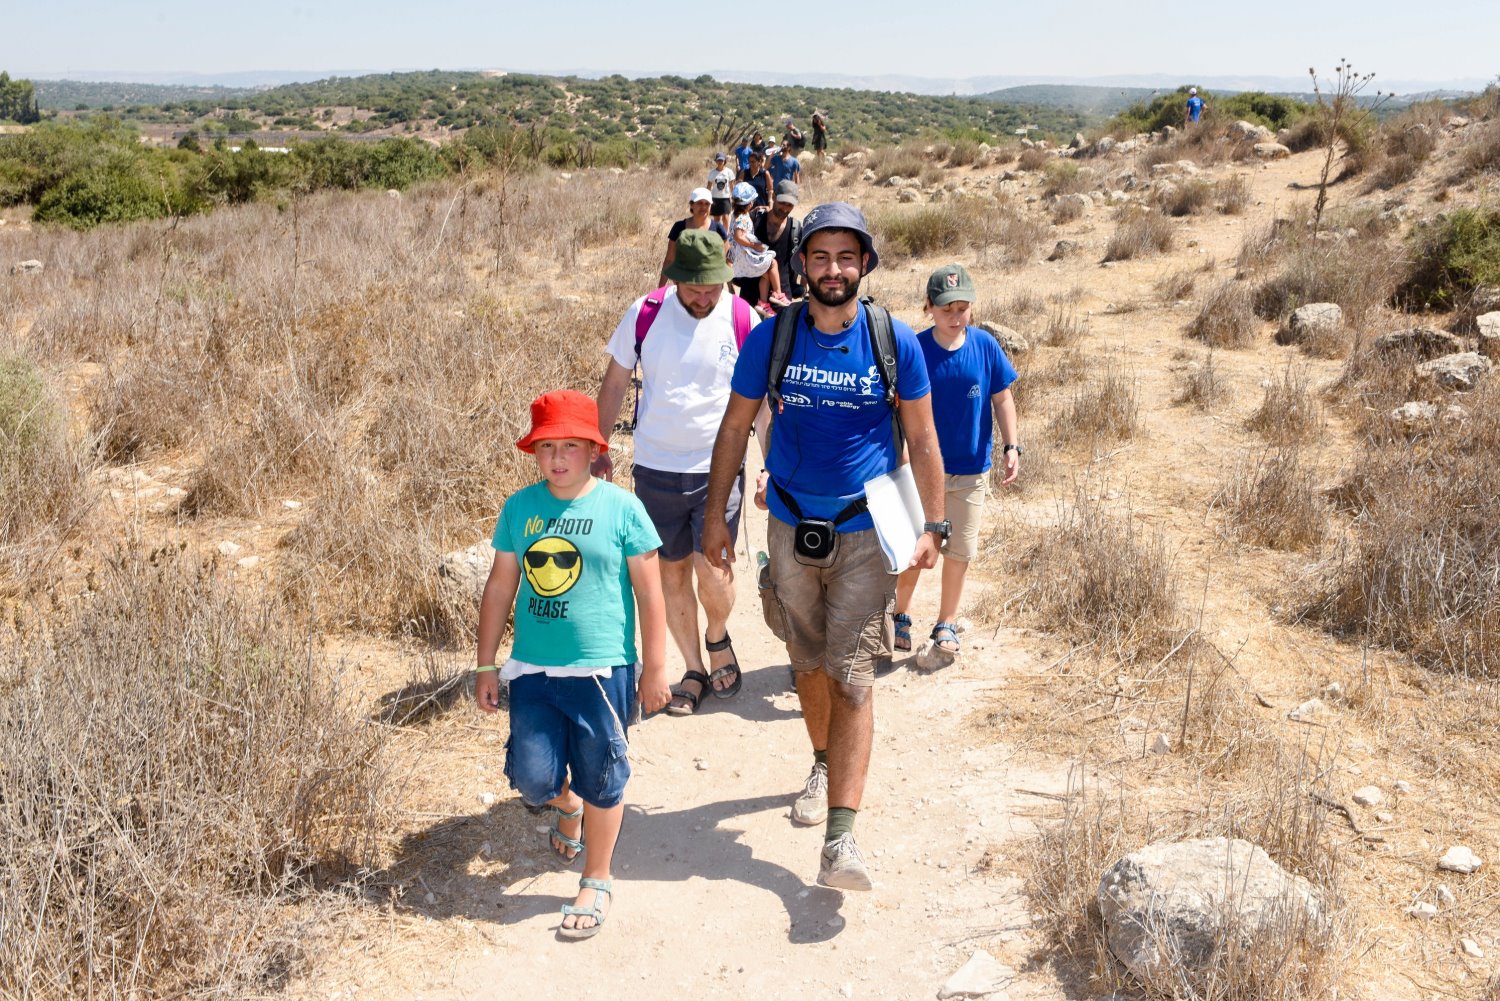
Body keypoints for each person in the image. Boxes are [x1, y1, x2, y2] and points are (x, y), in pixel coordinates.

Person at [702, 202, 948, 892]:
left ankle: (843, 836)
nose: (833, 270)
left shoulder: (891, 339)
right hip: (787, 526)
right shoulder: (774, 337)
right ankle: (819, 757)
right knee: (807, 663)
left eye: (847, 257)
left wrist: (934, 524)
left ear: (865, 264)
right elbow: (733, 429)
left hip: (866, 531)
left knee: (853, 676)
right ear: (802, 263)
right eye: (820, 256)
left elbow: (924, 438)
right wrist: (717, 518)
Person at [475, 389, 671, 939]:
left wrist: (655, 669)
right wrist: (485, 664)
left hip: (602, 670)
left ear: (593, 449)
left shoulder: (622, 509)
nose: (557, 457)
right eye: (546, 447)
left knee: (603, 775)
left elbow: (651, 595)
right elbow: (500, 586)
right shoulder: (520, 508)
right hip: (534, 667)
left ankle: (597, 877)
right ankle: (565, 807)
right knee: (533, 779)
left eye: (569, 445)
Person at [596, 230, 765, 717]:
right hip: (655, 469)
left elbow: (761, 406)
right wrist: (598, 446)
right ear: (675, 279)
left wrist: (768, 469)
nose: (703, 298)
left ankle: (716, 636)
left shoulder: (741, 317)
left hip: (719, 469)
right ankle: (694, 668)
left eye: (712, 287)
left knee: (714, 572)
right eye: (694, 289)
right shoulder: (645, 313)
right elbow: (614, 383)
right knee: (669, 575)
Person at [892, 265, 1019, 668]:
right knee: (914, 550)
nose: (955, 315)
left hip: (970, 472)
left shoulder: (984, 345)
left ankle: (946, 622)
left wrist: (1012, 445)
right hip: (921, 474)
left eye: (963, 307)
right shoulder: (913, 348)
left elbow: (1002, 398)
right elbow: (895, 409)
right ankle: (899, 614)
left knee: (959, 552)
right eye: (946, 307)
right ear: (928, 307)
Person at [729, 183, 790, 311]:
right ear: (750, 203)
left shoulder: (736, 215)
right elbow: (738, 236)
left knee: (765, 273)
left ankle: (763, 303)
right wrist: (754, 245)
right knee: (772, 262)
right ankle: (778, 294)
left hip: (739, 255)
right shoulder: (742, 219)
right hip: (745, 254)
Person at [659, 187, 729, 287]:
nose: (703, 207)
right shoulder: (679, 227)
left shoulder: (718, 228)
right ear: (691, 205)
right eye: (700, 203)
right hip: (684, 284)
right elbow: (669, 260)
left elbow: (725, 259)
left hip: (710, 285)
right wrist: (660, 291)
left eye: (707, 204)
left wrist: (727, 286)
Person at [754, 180, 805, 303]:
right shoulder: (755, 220)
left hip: (782, 298)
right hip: (751, 295)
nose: (785, 209)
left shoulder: (796, 230)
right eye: (782, 203)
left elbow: (805, 262)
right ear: (774, 196)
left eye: (790, 205)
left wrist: (804, 290)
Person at [707, 152, 735, 235]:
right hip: (715, 198)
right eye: (718, 160)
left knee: (726, 218)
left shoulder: (729, 172)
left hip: (725, 198)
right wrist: (707, 197)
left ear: (725, 161)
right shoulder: (712, 173)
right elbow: (709, 186)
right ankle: (717, 235)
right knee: (717, 219)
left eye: (722, 160)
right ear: (716, 161)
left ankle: (726, 235)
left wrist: (734, 197)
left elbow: (731, 186)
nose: (720, 162)